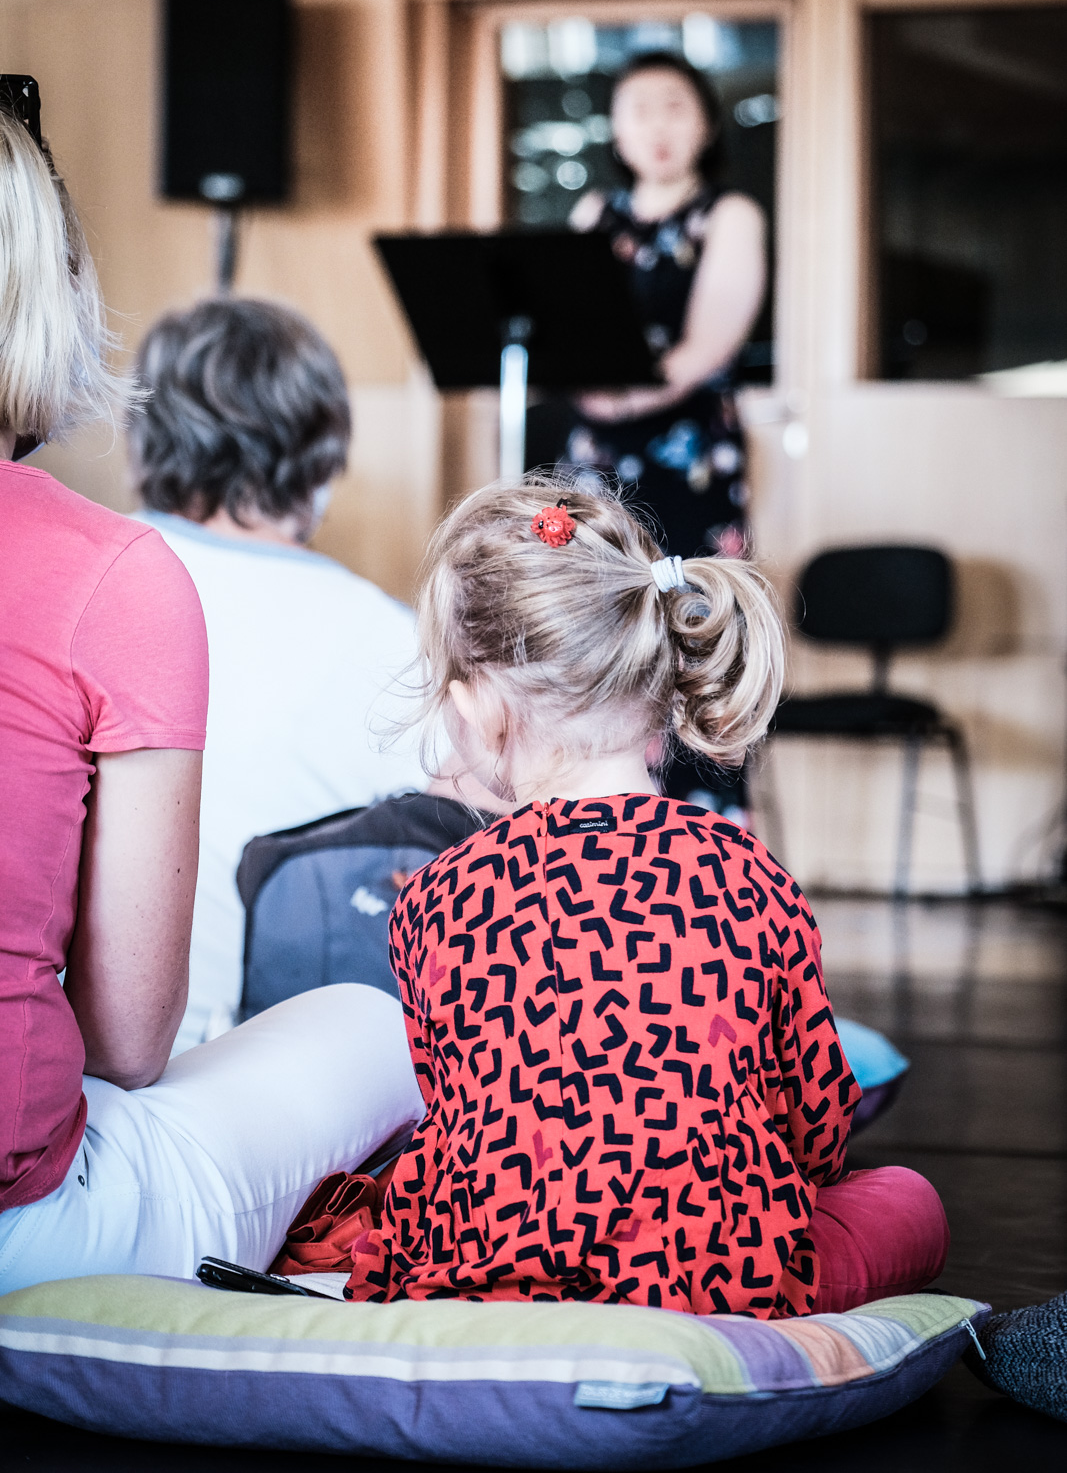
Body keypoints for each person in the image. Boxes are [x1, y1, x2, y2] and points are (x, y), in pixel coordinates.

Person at [279, 477, 948, 1316]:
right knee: (906, 1203)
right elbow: (815, 1127)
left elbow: (457, 1117)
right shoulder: (746, 870)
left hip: (485, 1263)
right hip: (713, 1274)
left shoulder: (434, 895)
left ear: (478, 711)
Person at [0, 102, 421, 1297]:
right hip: (38, 1207)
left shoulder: (132, 555)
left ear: (148, 445)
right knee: (376, 1022)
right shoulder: (125, 582)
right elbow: (130, 1046)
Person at [127, 299, 425, 1052]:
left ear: (144, 434)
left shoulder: (73, 581)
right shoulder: (390, 642)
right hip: (270, 1060)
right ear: (322, 453)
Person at [529, 52, 768, 816]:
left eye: (673, 107)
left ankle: (703, 850)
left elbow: (709, 343)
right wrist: (588, 391)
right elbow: (562, 326)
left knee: (691, 638)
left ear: (703, 122)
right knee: (589, 625)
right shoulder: (593, 215)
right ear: (616, 131)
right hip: (594, 451)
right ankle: (588, 823)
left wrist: (620, 397)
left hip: (688, 455)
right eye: (638, 110)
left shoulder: (729, 214)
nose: (656, 126)